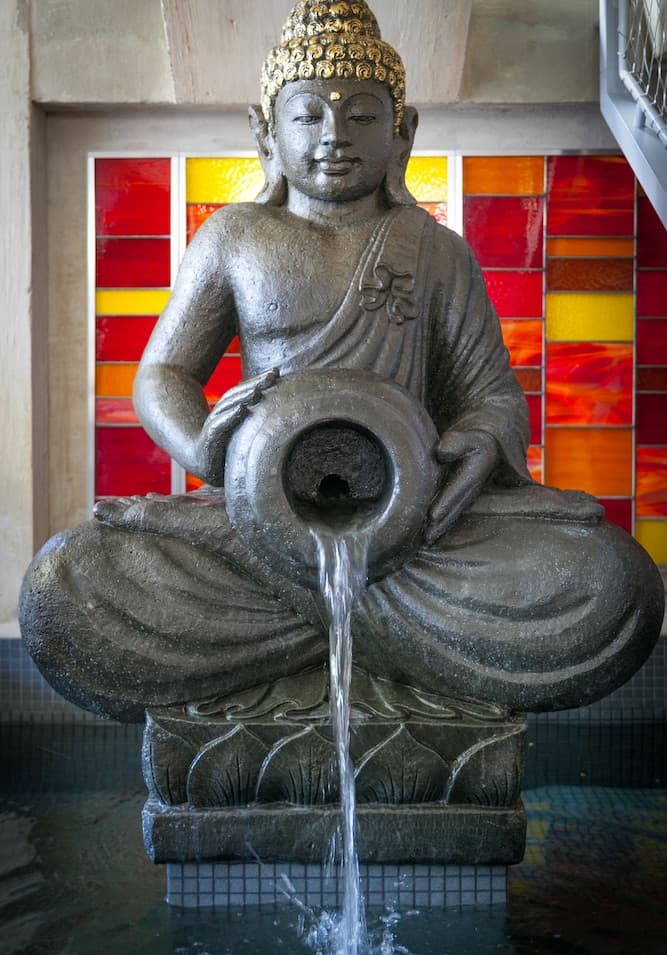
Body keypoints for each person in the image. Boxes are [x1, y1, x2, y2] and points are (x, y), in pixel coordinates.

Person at [19, 0, 664, 723]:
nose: (334, 136)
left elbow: (489, 395)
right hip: (259, 520)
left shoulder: (436, 251)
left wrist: (479, 442)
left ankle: (313, 636)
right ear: (265, 133)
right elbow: (163, 375)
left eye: (361, 116)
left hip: (410, 532)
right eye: (307, 117)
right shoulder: (234, 236)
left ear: (402, 131)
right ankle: (375, 638)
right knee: (67, 584)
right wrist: (201, 446)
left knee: (612, 584)